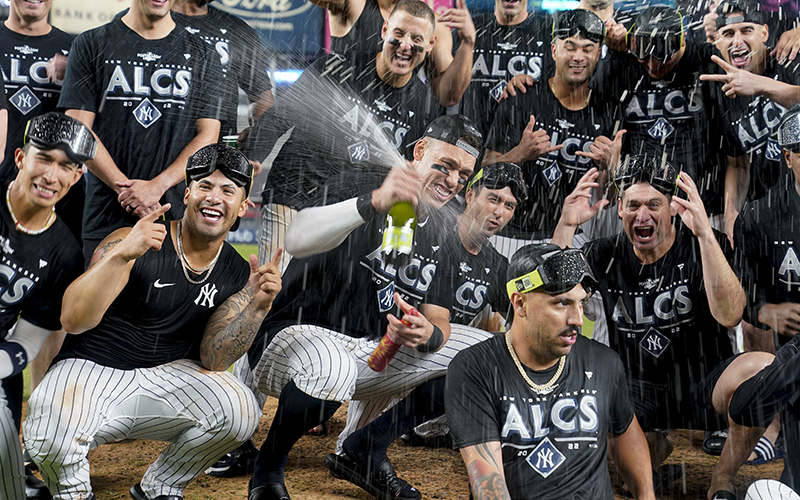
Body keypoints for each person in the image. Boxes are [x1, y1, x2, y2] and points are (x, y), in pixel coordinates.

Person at [23, 144, 283, 500]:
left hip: (169, 378)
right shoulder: (134, 238)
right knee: (46, 431)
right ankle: (73, 492)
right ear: (188, 193)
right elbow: (73, 319)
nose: (214, 198)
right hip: (94, 370)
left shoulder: (237, 271)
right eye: (205, 186)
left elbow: (214, 360)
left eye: (228, 191)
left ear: (242, 207)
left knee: (239, 410)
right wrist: (122, 254)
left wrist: (255, 309)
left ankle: (160, 488)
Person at [245, 114, 482, 500]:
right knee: (330, 368)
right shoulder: (366, 179)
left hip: (365, 352)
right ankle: (268, 469)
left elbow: (439, 315)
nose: (454, 180)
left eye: (464, 173)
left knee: (478, 357)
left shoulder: (444, 228)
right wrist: (375, 201)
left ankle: (365, 447)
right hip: (292, 337)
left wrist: (429, 333)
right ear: (420, 151)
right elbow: (298, 237)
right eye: (447, 165)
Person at [552, 156, 774, 499]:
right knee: (591, 394)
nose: (643, 216)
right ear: (620, 211)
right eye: (633, 205)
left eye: (653, 204)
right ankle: (650, 455)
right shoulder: (603, 254)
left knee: (762, 368)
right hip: (637, 391)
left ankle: (723, 479)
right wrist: (566, 226)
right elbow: (550, 301)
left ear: (673, 207)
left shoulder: (703, 242)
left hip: (703, 383)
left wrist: (703, 233)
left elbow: (731, 315)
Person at [323, 162, 525, 498]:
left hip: (434, 363)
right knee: (480, 354)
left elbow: (526, 321)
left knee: (489, 355)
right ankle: (359, 439)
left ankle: (386, 439)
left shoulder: (496, 265)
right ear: (470, 194)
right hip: (383, 344)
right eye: (493, 199)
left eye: (509, 206)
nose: (499, 211)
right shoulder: (430, 232)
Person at [244, 0, 443, 273]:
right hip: (293, 199)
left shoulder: (425, 108)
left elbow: (407, 184)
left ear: (430, 45)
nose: (405, 45)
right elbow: (279, 118)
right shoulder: (336, 69)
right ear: (385, 30)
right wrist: (246, 164)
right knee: (272, 295)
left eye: (417, 38)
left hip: (348, 218)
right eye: (398, 34)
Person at [444, 243, 655, 500]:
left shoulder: (603, 362)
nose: (577, 319)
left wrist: (646, 495)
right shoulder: (475, 369)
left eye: (581, 303)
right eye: (562, 303)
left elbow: (624, 433)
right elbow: (488, 481)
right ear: (520, 303)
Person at [58, 0, 224, 260]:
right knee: (97, 302)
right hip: (105, 216)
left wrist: (158, 186)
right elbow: (77, 128)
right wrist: (125, 190)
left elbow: (208, 135)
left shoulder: (204, 54)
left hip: (174, 218)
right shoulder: (91, 43)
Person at [0, 112, 91, 500]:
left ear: (77, 177)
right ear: (20, 158)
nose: (52, 176)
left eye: (67, 167)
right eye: (45, 159)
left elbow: (27, 340)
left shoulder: (65, 253)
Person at [483, 8, 623, 258]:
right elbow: (483, 171)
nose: (578, 56)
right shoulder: (521, 98)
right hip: (506, 235)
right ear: (553, 50)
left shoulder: (608, 112)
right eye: (570, 46)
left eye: (588, 48)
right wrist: (519, 154)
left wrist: (611, 168)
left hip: (571, 235)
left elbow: (606, 198)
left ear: (598, 54)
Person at [593, 5, 727, 216]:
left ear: (682, 39)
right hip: (643, 205)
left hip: (702, 203)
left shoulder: (705, 60)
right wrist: (613, 52)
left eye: (663, 59)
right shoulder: (625, 64)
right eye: (645, 59)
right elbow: (595, 95)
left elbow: (732, 144)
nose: (654, 66)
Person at [699, 0, 800, 245]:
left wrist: (761, 85)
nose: (737, 41)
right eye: (728, 34)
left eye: (746, 31)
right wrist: (731, 218)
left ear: (764, 33)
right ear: (716, 42)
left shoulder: (790, 57)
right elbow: (739, 164)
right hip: (768, 211)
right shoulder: (719, 89)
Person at [311, 0, 474, 108]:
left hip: (393, 123)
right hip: (337, 112)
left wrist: (468, 44)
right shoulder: (353, 4)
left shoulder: (433, 25)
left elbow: (449, 97)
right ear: (385, 29)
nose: (404, 45)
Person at [171, 0, 274, 139]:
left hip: (217, 153)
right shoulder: (151, 22)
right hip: (156, 149)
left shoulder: (237, 30)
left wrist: (255, 138)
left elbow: (260, 96)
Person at [457, 0, 551, 134]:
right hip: (470, 140)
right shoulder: (469, 30)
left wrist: (535, 84)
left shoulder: (548, 33)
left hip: (523, 142)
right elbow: (448, 93)